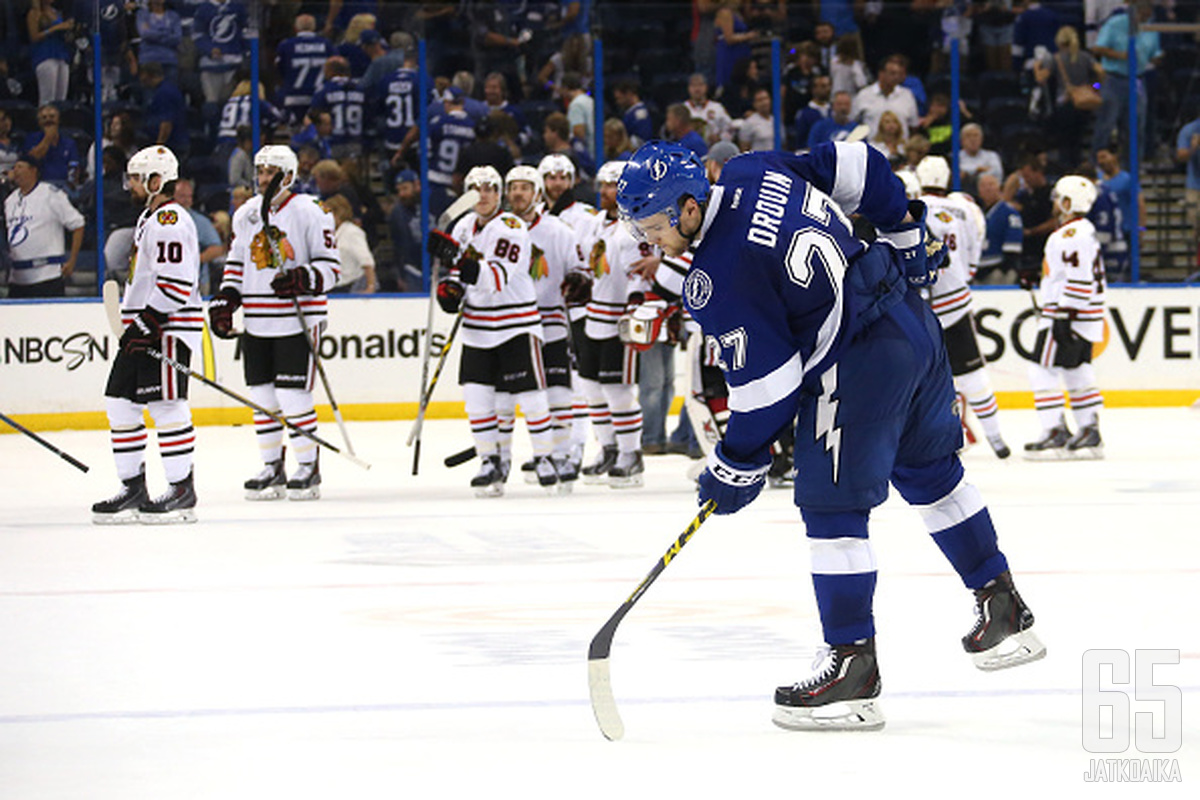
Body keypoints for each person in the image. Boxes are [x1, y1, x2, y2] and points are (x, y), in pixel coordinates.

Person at [617, 139, 1045, 731]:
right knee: (934, 476)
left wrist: (737, 461)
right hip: (908, 320)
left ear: (690, 207)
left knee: (832, 512)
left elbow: (769, 385)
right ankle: (1004, 606)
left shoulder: (717, 275)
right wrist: (901, 229)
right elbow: (860, 164)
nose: (647, 240)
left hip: (855, 363)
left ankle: (852, 669)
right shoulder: (750, 167)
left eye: (653, 224)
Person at [207, 145, 341, 501]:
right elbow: (236, 262)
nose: (264, 178)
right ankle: (272, 466)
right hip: (257, 320)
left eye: (271, 172)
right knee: (263, 397)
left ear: (289, 176)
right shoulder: (246, 213)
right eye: (261, 172)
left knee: (293, 396)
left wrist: (304, 278)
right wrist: (227, 298)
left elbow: (332, 268)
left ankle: (307, 467)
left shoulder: (312, 211)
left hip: (297, 321)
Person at [426, 166, 558, 495]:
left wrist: (456, 257)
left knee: (531, 398)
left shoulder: (511, 227)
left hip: (517, 326)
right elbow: (459, 275)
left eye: (489, 188)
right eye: (475, 188)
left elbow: (495, 277)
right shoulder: (462, 226)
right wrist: (450, 291)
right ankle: (490, 461)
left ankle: (544, 458)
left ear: (498, 194)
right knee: (478, 400)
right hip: (477, 328)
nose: (482, 194)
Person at [92, 145, 201, 524]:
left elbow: (177, 282)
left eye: (137, 178)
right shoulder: (149, 218)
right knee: (120, 404)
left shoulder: (170, 219)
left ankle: (181, 489)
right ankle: (133, 487)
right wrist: (137, 322)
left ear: (157, 180)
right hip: (144, 325)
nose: (131, 185)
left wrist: (149, 321)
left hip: (167, 326)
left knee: (166, 405)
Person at [913, 156, 1009, 459]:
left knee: (921, 380)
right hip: (955, 301)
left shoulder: (911, 209)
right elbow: (972, 259)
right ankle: (996, 439)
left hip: (920, 306)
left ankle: (939, 439)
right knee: (973, 375)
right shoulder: (966, 209)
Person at [499, 165, 584, 487]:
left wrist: (577, 281)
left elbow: (579, 269)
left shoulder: (559, 230)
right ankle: (539, 453)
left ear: (536, 193)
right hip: (514, 325)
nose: (518, 193)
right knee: (520, 395)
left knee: (558, 391)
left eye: (525, 187)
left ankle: (560, 454)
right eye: (513, 187)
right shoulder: (500, 229)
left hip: (551, 324)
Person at [578, 159, 650, 487]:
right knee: (592, 388)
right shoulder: (595, 224)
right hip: (593, 316)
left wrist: (636, 305)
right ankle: (608, 448)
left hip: (620, 318)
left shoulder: (635, 226)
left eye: (613, 185)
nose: (607, 191)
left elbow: (642, 274)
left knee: (617, 390)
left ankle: (630, 454)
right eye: (604, 185)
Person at [1024, 175, 1106, 459]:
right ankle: (1089, 430)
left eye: (1060, 198)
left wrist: (1064, 314)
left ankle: (1055, 429)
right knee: (1076, 369)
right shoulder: (1086, 230)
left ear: (1069, 202)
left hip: (1068, 312)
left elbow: (1078, 277)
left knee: (1040, 369)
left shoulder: (1068, 235)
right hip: (1085, 314)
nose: (1056, 203)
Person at [4, 154, 84, 298]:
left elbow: (78, 224)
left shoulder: (50, 194)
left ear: (33, 170)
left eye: (20, 167)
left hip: (47, 276)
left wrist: (72, 260)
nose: (15, 171)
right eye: (14, 167)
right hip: (18, 278)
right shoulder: (10, 200)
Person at [1090, 0, 1161, 162]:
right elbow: (1097, 48)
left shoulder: (1150, 28)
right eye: (1143, 15)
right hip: (1113, 79)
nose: (1145, 18)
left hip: (1137, 80)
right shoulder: (1115, 24)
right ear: (1137, 11)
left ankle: (1132, 167)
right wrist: (1121, 55)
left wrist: (1157, 58)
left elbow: (1154, 53)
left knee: (1136, 128)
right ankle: (1096, 165)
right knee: (1106, 125)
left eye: (1148, 16)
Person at [274, 14, 335, 125]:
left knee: (295, 131)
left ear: (295, 28)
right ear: (314, 27)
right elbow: (334, 67)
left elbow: (279, 70)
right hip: (319, 96)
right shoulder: (326, 45)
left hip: (294, 96)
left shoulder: (286, 45)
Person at [308, 56, 366, 160]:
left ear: (331, 71)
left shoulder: (325, 90)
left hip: (333, 140)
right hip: (356, 140)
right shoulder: (360, 89)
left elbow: (314, 113)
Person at [851, 53, 919, 140]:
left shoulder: (907, 95)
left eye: (898, 74)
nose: (896, 77)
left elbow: (913, 126)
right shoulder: (864, 95)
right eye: (892, 73)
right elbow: (853, 123)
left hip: (900, 150)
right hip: (872, 149)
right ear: (881, 74)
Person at [976, 173, 1023, 285]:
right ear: (979, 191)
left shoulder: (1009, 213)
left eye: (991, 184)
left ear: (999, 188)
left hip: (998, 273)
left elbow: (1013, 250)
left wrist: (1003, 272)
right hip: (978, 273)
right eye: (983, 185)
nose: (987, 188)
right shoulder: (976, 213)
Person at [325, 193, 376, 293]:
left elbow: (367, 262)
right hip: (333, 287)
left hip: (350, 286)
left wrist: (370, 287)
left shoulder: (352, 232)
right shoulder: (331, 234)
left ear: (338, 213)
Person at [22, 104, 80, 189]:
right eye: (44, 118)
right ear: (39, 122)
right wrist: (48, 138)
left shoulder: (69, 143)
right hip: (39, 186)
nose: (48, 120)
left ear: (58, 120)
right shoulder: (31, 139)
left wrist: (70, 186)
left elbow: (74, 167)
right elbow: (32, 161)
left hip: (63, 186)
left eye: (52, 116)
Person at [27, 0, 73, 105]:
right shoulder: (34, 13)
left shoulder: (56, 12)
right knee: (47, 98)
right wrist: (55, 28)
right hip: (45, 55)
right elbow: (34, 37)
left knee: (61, 99)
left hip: (61, 55)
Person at [684, 72, 734, 145]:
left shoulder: (717, 107)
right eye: (694, 85)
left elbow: (730, 129)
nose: (697, 89)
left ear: (706, 87)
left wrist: (720, 138)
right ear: (688, 88)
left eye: (700, 85)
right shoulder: (683, 108)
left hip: (713, 150)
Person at [1176, 112, 1200, 261]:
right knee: (1196, 225)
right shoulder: (1190, 130)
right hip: (1195, 186)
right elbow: (1181, 156)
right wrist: (1193, 148)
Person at [957, 123, 1004, 191]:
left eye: (976, 135)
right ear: (962, 140)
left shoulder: (991, 156)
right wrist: (977, 170)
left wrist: (969, 174)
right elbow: (957, 176)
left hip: (988, 192)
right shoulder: (955, 157)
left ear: (981, 139)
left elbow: (997, 174)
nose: (972, 139)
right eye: (968, 136)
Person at [738, 87, 776, 152]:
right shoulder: (749, 123)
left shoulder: (776, 120)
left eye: (766, 98)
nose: (764, 102)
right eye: (760, 100)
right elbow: (744, 149)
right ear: (754, 104)